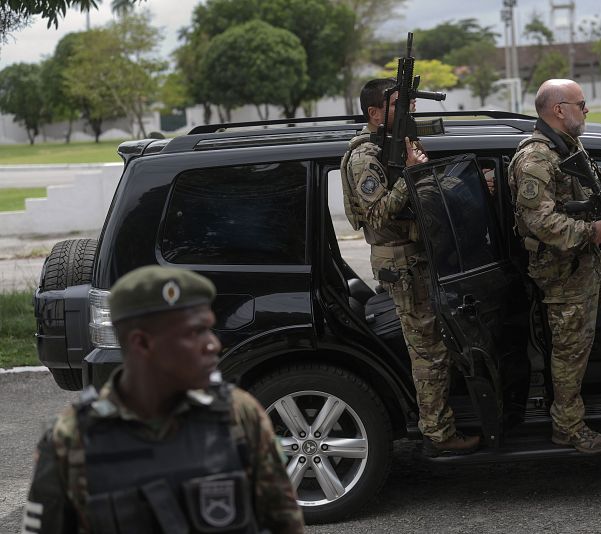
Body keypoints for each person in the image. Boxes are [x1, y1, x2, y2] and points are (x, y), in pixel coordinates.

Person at [23, 265, 305, 533]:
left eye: (209, 328)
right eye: (194, 332)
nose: (213, 344)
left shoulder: (239, 415)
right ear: (141, 343)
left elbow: (285, 523)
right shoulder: (71, 440)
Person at [508, 79, 601, 454]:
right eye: (581, 103)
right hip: (562, 269)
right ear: (559, 110)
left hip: (591, 259)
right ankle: (568, 427)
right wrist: (590, 231)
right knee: (572, 350)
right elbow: (540, 223)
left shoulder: (571, 148)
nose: (586, 109)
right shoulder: (536, 159)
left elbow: (599, 189)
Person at [340, 78, 480, 457]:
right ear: (373, 113)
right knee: (429, 351)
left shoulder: (398, 147)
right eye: (399, 105)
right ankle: (438, 433)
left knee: (437, 344)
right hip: (402, 264)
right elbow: (379, 213)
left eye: (409, 104)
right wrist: (411, 174)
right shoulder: (365, 158)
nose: (410, 111)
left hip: (420, 259)